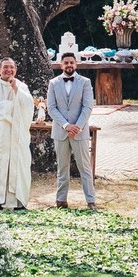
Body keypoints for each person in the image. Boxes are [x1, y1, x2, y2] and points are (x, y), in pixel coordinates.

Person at [47, 52, 97, 209]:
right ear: (61, 65)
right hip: (60, 132)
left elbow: (87, 107)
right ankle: (61, 200)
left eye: (71, 62)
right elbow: (51, 108)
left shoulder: (85, 82)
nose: (69, 65)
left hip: (79, 132)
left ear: (76, 64)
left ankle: (91, 201)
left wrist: (77, 127)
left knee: (85, 167)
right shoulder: (53, 83)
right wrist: (66, 125)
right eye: (66, 62)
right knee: (62, 168)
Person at [0, 57, 34, 210]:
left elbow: (28, 106)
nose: (9, 70)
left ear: (15, 70)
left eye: (11, 67)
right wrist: (13, 107)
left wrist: (16, 90)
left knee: (18, 163)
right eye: (5, 67)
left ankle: (16, 200)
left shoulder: (22, 86)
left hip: (17, 134)